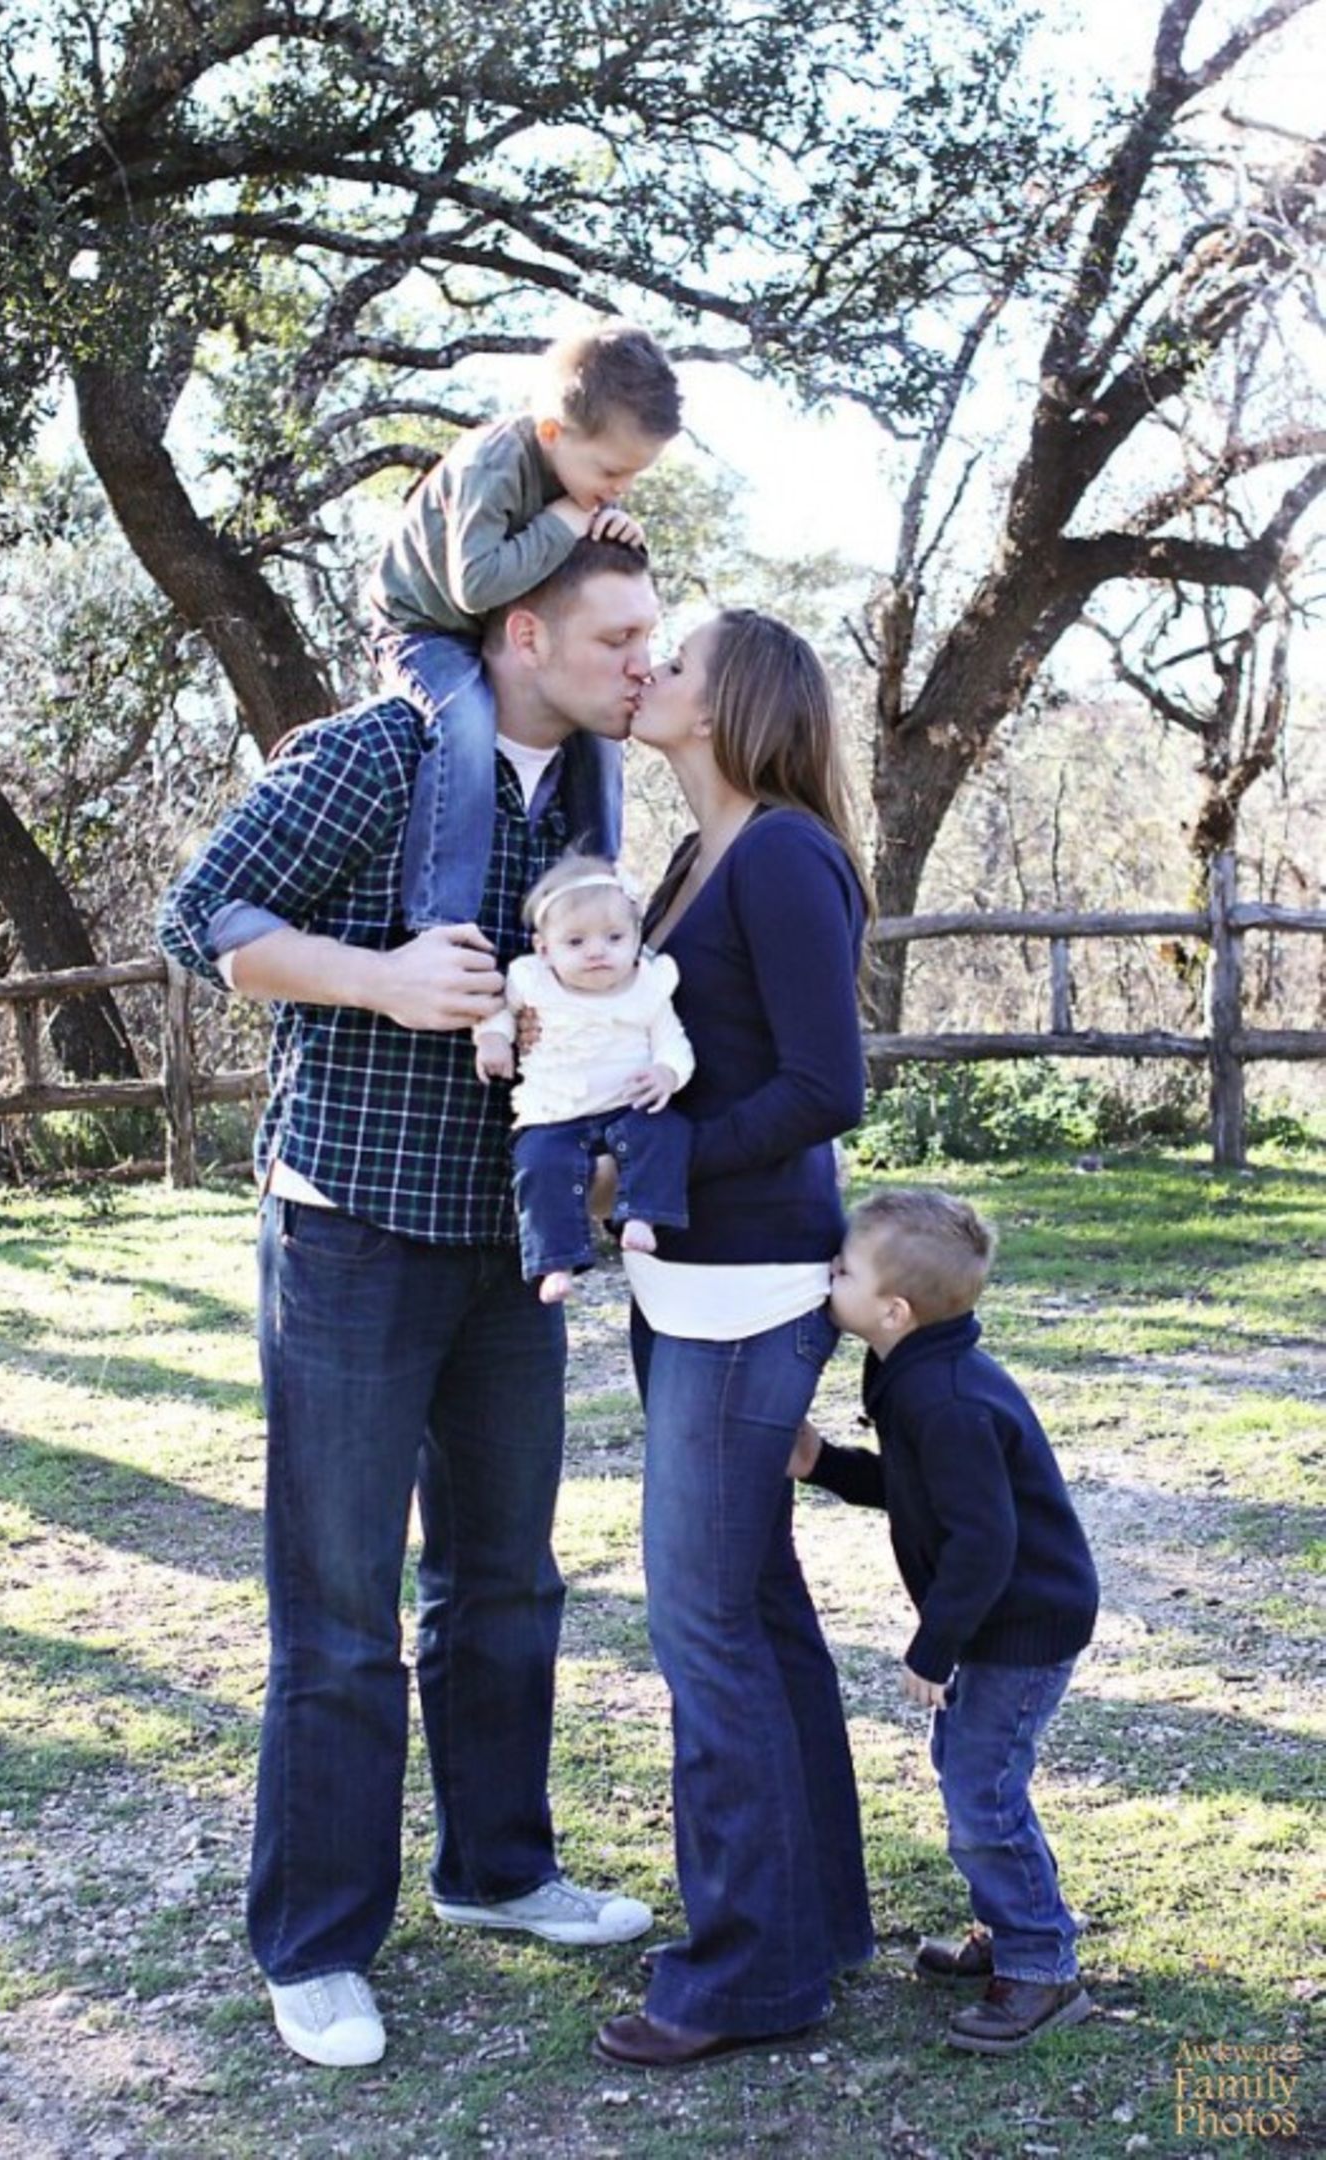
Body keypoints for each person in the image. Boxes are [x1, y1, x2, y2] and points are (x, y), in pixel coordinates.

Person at [156, 540, 660, 2072]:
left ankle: (501, 1871)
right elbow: (201, 917)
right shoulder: (378, 752)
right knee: (340, 1609)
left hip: (512, 1248)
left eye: (655, 638)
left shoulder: (589, 793)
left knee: (505, 1584)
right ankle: (313, 1947)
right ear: (523, 632)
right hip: (351, 1236)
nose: (648, 662)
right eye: (620, 636)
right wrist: (376, 978)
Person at [593, 608, 877, 2071]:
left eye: (677, 664)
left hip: (752, 1299)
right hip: (685, 1295)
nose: (649, 676)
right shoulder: (697, 861)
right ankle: (813, 1924)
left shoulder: (780, 855)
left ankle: (746, 1975)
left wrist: (667, 1165)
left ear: (732, 703)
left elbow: (832, 1088)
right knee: (755, 1612)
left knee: (703, 1628)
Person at [790, 1187, 1099, 2055]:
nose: (829, 1274)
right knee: (969, 1772)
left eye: (843, 1269)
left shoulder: (946, 1398)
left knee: (982, 1792)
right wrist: (827, 1467)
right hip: (999, 1618)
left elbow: (985, 1539)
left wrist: (935, 1646)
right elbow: (919, 1489)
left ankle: (1041, 1966)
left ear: (892, 1309)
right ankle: (1011, 1925)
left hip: (1020, 1623)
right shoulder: (917, 1370)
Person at [369, 321, 681, 931]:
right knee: (463, 719)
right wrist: (568, 520)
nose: (618, 489)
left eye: (632, 478)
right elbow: (477, 584)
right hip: (421, 625)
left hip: (495, 625)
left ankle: (596, 890)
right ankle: (440, 916)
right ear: (551, 433)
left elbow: (575, 566)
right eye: (611, 473)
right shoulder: (495, 466)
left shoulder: (577, 470)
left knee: (598, 728)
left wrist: (616, 530)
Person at [474, 853, 695, 1302]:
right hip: (554, 1111)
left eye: (614, 937)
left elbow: (675, 1042)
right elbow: (497, 1013)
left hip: (627, 1103)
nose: (597, 951)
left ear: (635, 937)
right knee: (538, 1164)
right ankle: (555, 1262)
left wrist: (666, 1073)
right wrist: (493, 1040)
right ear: (544, 948)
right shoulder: (532, 982)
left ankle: (641, 1217)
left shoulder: (647, 988)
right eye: (575, 942)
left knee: (668, 1132)